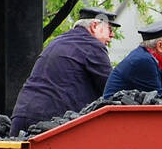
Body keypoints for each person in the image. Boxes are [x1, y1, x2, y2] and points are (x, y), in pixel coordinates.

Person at [9, 7, 119, 135]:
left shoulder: (57, 41)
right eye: (109, 29)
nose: (112, 35)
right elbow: (112, 89)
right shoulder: (92, 46)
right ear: (94, 26)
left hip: (21, 114)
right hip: (51, 121)